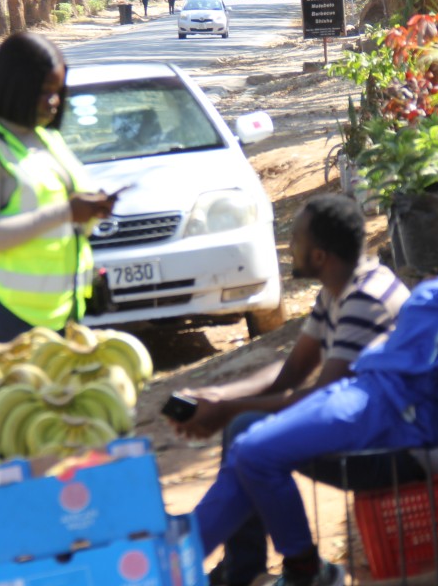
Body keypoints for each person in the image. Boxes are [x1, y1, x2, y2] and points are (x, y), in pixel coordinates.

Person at [191, 131, 438, 586]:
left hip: (399, 408)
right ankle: (172, 565)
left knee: (252, 450)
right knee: (248, 447)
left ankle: (305, 571)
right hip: (376, 387)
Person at [172, 194, 411, 586]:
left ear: (319, 256)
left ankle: (300, 569)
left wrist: (227, 410)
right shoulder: (338, 289)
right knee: (244, 429)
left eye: (295, 237)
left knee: (249, 437)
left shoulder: (364, 299)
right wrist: (220, 398)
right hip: (362, 425)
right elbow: (292, 371)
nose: (288, 243)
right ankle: (234, 566)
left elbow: (322, 397)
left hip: (393, 443)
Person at [0, 33, 122, 348]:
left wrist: (93, 208)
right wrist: (67, 212)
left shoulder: (46, 139)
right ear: (13, 87)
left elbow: (66, 211)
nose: (53, 102)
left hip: (59, 312)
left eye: (57, 91)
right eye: (43, 92)